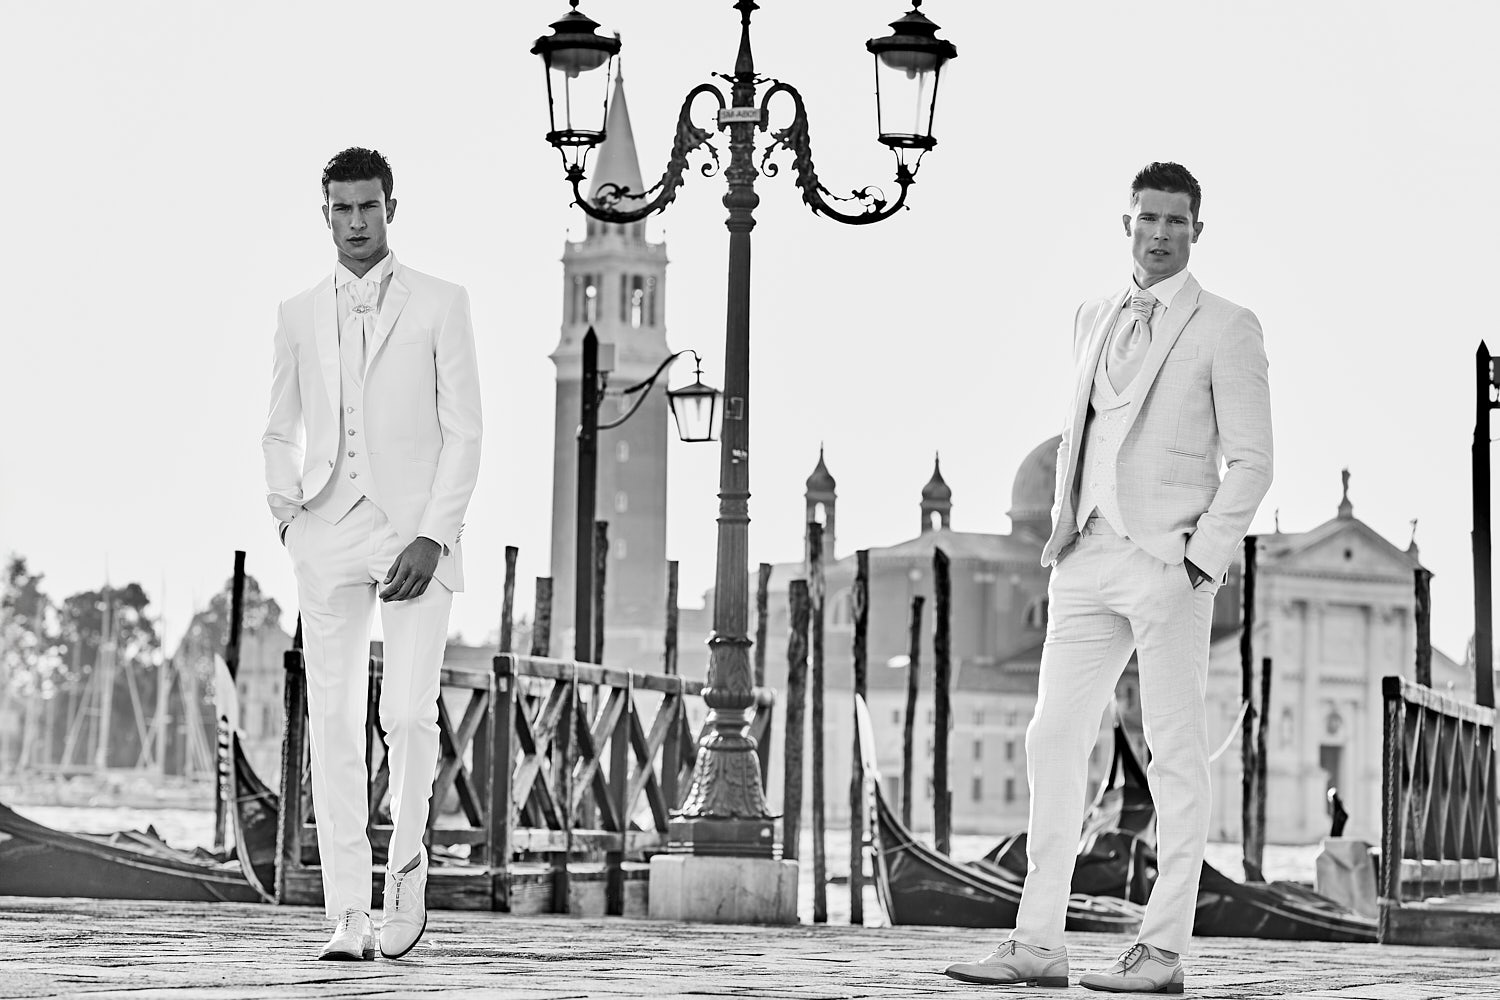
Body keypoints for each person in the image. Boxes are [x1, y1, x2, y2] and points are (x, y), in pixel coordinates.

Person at [946, 162, 1272, 993]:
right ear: (1124, 222)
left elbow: (1254, 462)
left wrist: (1199, 558)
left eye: (1177, 221)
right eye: (1147, 218)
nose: (1161, 232)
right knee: (1053, 739)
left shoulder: (1227, 326)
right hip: (1084, 558)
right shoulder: (1091, 315)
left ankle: (1160, 952)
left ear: (1198, 230)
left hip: (1167, 565)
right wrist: (1064, 533)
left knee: (1173, 755)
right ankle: (1037, 943)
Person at [263, 147, 483, 960]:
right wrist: (290, 519)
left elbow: (466, 430)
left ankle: (409, 867)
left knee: (405, 713)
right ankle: (349, 914)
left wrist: (436, 533)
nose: (356, 222)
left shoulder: (441, 303)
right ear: (324, 213)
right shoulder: (295, 312)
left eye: (369, 207)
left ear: (392, 207)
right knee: (334, 719)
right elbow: (278, 430)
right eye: (341, 209)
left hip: (412, 531)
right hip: (326, 530)